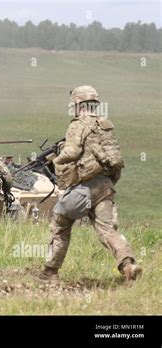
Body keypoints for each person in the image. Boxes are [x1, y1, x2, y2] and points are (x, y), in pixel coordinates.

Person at [40, 86, 142, 283]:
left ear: (77, 104)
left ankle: (50, 272)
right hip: (105, 186)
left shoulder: (78, 125)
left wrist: (55, 161)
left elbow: (71, 152)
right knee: (107, 229)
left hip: (83, 188)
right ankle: (128, 265)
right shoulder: (105, 126)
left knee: (60, 224)